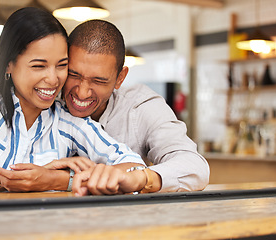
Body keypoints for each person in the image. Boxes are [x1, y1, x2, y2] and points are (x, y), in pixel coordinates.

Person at [0, 7, 147, 194]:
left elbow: (135, 167)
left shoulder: (67, 120)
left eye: (61, 65)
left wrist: (56, 180)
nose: (53, 79)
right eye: (38, 66)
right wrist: (24, 177)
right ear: (9, 64)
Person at [62, 20, 210, 195]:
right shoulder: (44, 102)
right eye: (73, 74)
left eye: (99, 81)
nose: (82, 92)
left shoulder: (140, 107)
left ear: (120, 78)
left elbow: (195, 166)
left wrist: (141, 178)